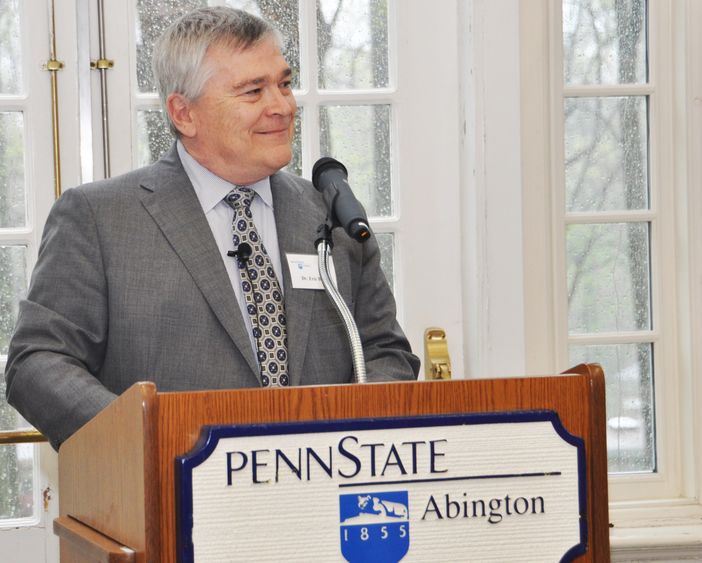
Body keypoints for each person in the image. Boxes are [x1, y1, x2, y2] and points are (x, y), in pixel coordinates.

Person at [4, 7, 419, 451]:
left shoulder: (331, 215)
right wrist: (140, 437)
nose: (281, 106)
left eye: (283, 83)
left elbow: (386, 352)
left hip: (323, 492)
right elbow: (38, 363)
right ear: (184, 114)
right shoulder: (100, 217)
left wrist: (349, 432)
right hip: (167, 498)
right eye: (253, 91)